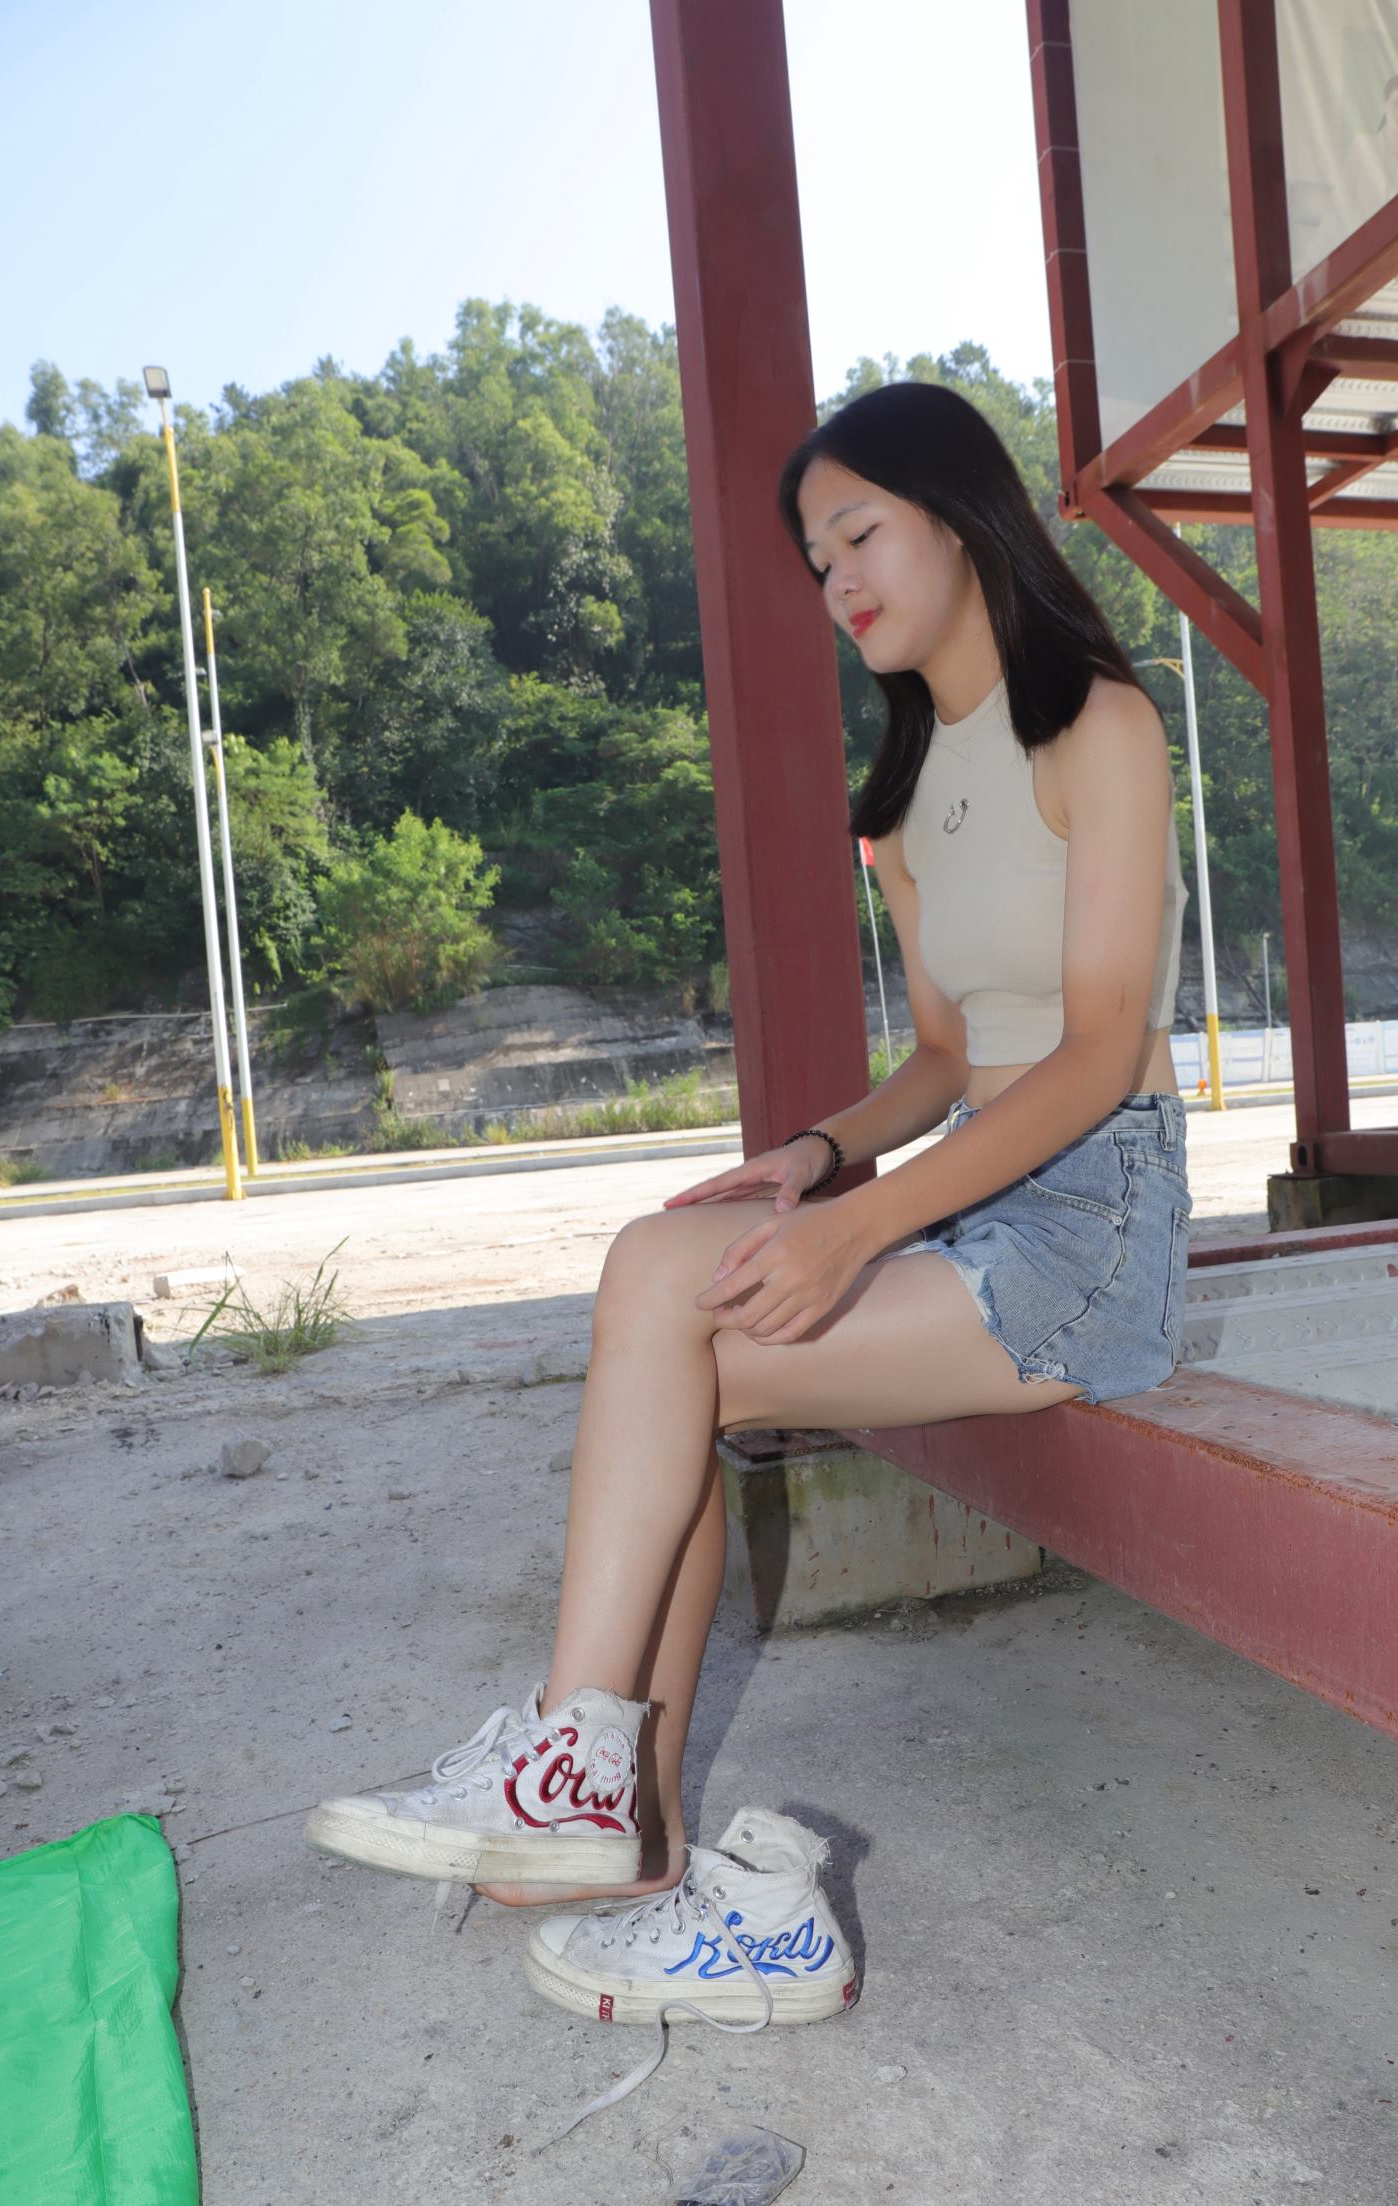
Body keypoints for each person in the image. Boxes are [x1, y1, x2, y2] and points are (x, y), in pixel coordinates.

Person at [307, 380, 1191, 2033]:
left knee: (670, 1318)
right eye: (815, 557)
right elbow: (949, 1059)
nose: (837, 578)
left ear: (961, 517)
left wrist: (864, 1225)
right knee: (662, 1281)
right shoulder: (905, 796)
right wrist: (817, 1158)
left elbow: (1091, 1054)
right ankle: (607, 1802)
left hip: (1091, 1229)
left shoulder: (1101, 726)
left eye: (859, 533)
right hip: (970, 1193)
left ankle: (592, 1781)